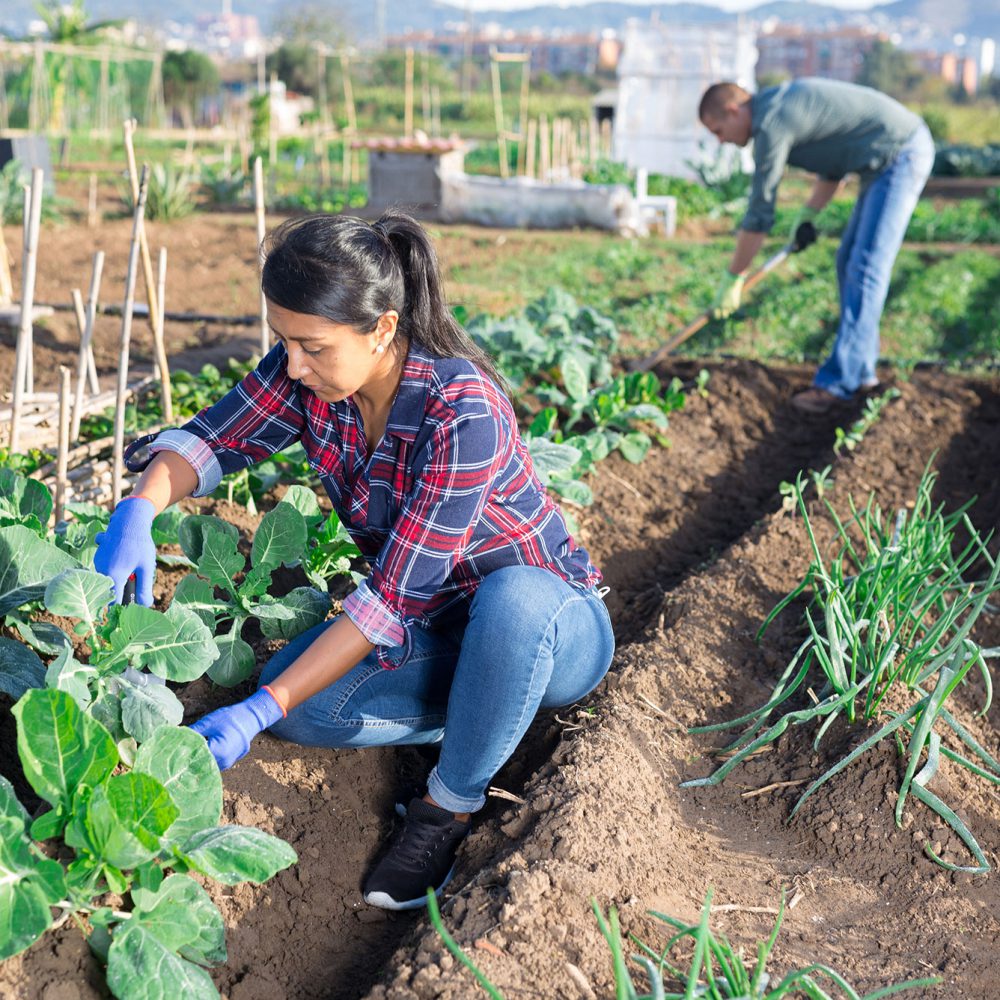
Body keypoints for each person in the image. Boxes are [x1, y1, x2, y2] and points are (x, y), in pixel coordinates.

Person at [93, 212, 615, 911]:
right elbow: (214, 440)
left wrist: (252, 711)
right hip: (439, 633)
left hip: (553, 631)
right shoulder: (309, 378)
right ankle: (481, 716)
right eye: (285, 341)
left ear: (381, 329)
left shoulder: (461, 409)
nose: (294, 363)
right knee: (305, 711)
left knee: (513, 600)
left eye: (312, 346)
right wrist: (140, 508)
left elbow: (389, 600)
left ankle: (448, 807)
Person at [698, 77, 935, 414]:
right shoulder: (777, 108)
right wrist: (808, 215)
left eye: (718, 130)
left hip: (900, 153)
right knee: (847, 261)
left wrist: (734, 277)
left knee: (866, 266)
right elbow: (833, 166)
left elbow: (759, 213)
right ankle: (861, 371)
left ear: (734, 111)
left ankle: (838, 384)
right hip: (887, 157)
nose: (720, 141)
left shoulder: (771, 123)